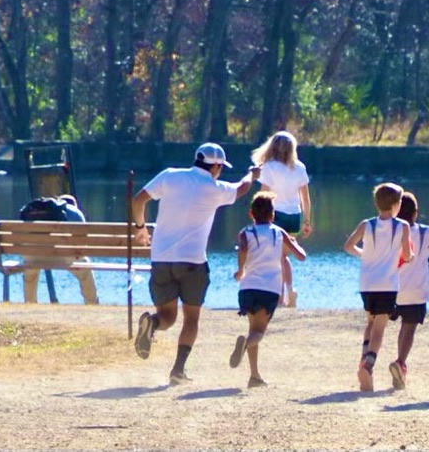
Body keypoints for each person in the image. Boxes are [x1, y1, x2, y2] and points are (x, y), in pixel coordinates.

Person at [131, 142, 260, 385]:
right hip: (193, 262)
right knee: (191, 318)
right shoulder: (214, 188)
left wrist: (141, 228)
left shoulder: (169, 176)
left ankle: (152, 323)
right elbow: (242, 188)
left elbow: (138, 201)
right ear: (217, 167)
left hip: (161, 260)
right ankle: (178, 370)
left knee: (167, 317)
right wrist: (252, 174)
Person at [229, 192, 307, 387]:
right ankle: (246, 346)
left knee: (252, 328)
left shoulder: (245, 232)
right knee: (258, 333)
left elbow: (243, 249)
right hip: (269, 289)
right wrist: (295, 244)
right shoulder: (279, 232)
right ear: (273, 215)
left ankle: (254, 376)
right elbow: (301, 256)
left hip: (247, 288)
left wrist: (240, 270)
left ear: (251, 214)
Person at [343, 182, 413, 392]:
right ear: (396, 204)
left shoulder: (367, 224)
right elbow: (407, 255)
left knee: (371, 323)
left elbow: (348, 246)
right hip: (387, 284)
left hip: (367, 283)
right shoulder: (402, 226)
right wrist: (409, 257)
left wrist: (364, 254)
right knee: (380, 329)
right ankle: (368, 365)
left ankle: (364, 358)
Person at [388, 190, 429, 390]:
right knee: (409, 327)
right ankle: (401, 362)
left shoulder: (392, 231)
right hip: (417, 290)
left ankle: (375, 361)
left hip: (392, 289)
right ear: (415, 213)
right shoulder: (427, 232)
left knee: (391, 325)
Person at [251, 131, 312, 307]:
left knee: (277, 257)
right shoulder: (299, 167)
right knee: (283, 256)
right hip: (294, 216)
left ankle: (279, 297)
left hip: (275, 215)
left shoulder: (269, 167)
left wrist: (256, 215)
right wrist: (307, 221)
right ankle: (289, 290)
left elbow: (263, 195)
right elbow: (305, 198)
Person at [22, 194, 99, 305]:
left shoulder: (36, 210)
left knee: (30, 270)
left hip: (33, 256)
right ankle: (92, 303)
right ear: (74, 205)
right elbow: (81, 245)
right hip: (62, 257)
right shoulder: (75, 213)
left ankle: (30, 302)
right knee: (85, 268)